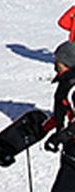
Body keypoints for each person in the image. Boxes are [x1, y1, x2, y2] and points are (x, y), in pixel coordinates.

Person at [45, 41, 75, 192]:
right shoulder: (66, 82)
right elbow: (61, 113)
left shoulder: (72, 86)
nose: (54, 64)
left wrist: (62, 136)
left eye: (57, 61)